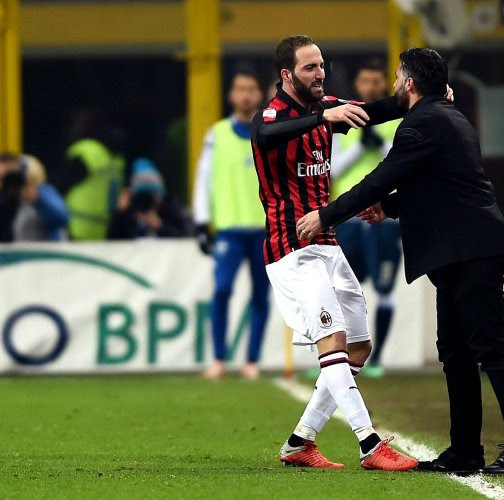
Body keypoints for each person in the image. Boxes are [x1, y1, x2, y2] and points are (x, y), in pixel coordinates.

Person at [296, 48, 504, 476]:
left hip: (472, 251)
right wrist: (389, 209)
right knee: (455, 352)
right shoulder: (447, 117)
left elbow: (383, 176)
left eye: (397, 77)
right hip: (461, 251)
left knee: (489, 349)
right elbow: (436, 184)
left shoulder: (423, 123)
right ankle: (465, 451)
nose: (394, 85)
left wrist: (326, 214)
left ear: (410, 83)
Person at [250, 35, 417, 471]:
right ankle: (370, 443)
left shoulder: (326, 108)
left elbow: (378, 110)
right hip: (290, 249)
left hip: (326, 243)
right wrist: (324, 116)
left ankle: (299, 441)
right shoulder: (273, 115)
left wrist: (421, 95)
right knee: (335, 341)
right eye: (309, 68)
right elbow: (266, 133)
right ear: (287, 75)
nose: (320, 73)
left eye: (321, 65)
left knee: (359, 346)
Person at [192, 70, 271, 381]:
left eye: (251, 88)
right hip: (228, 229)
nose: (246, 95)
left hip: (264, 229)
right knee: (222, 290)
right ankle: (219, 358)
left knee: (260, 296)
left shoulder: (268, 132)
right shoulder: (217, 134)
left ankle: (252, 360)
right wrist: (201, 221)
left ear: (259, 94)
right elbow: (203, 179)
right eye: (240, 89)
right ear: (231, 94)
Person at [330, 59, 402, 377]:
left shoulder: (398, 119)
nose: (371, 86)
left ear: (384, 83)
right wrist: (361, 148)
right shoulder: (342, 119)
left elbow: (405, 161)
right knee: (344, 289)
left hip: (385, 215)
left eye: (377, 80)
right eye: (365, 80)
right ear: (357, 84)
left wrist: (381, 144)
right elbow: (332, 170)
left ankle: (378, 358)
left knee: (385, 286)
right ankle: (340, 357)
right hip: (349, 217)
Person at [108, 158, 190, 239]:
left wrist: (161, 227)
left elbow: (187, 240)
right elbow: (112, 242)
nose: (146, 202)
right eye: (142, 197)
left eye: (151, 196)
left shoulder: (173, 211)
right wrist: (119, 214)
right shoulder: (128, 215)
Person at [12, 154, 70, 241]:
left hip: (48, 252)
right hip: (23, 251)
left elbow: (62, 218)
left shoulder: (44, 192)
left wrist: (38, 200)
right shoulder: (14, 200)